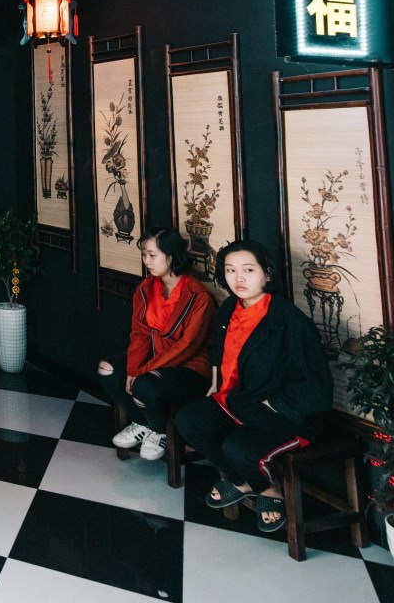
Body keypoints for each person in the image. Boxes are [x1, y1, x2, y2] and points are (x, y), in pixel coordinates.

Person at [174, 239, 333, 533]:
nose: (239, 278)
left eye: (248, 270)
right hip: (238, 402)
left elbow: (316, 383)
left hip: (283, 413)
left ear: (267, 274)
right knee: (188, 420)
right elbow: (220, 350)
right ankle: (241, 481)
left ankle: (269, 490)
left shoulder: (288, 320)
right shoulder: (229, 307)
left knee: (236, 447)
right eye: (230, 270)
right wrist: (215, 382)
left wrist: (273, 403)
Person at [98, 227, 216, 462]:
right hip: (153, 357)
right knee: (107, 369)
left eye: (152, 255)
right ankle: (143, 423)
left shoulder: (198, 296)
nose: (147, 261)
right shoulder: (146, 288)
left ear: (171, 256)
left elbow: (187, 346)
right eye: (144, 255)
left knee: (144, 384)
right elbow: (139, 333)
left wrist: (142, 371)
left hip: (189, 367)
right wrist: (133, 369)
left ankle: (159, 431)